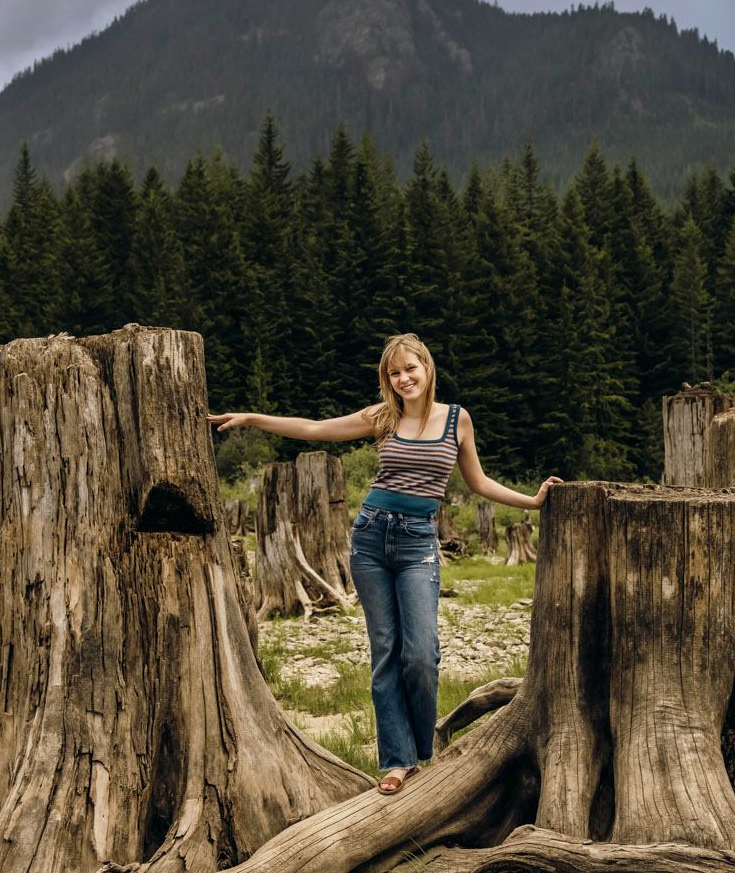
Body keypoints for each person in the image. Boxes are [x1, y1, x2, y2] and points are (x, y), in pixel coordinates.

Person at [209, 333, 561, 795]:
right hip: (371, 538)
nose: (403, 379)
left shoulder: (456, 420)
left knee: (421, 655)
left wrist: (533, 502)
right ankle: (398, 762)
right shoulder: (382, 417)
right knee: (385, 653)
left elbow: (477, 482)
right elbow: (315, 429)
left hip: (418, 544)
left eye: (409, 369)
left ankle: (423, 750)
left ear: (427, 368)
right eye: (394, 373)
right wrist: (253, 418)